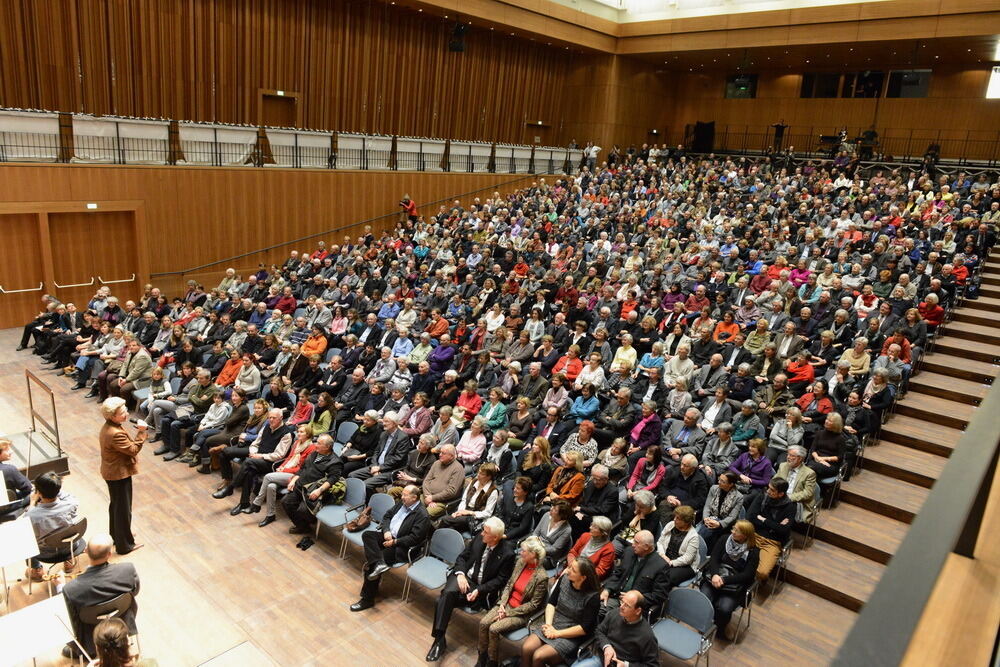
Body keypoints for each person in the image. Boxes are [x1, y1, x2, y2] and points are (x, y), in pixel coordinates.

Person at [425, 517, 516, 662]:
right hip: (464, 578)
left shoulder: (507, 553)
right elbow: (462, 558)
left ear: (495, 537)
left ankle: (439, 641)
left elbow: (501, 580)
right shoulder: (479, 539)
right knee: (448, 593)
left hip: (480, 588)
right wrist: (460, 574)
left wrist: (480, 590)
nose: (481, 534)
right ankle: (438, 640)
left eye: (485, 532)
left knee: (442, 599)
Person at [351, 484, 431, 612]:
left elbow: (415, 539)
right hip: (388, 537)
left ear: (414, 498)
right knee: (368, 535)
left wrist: (395, 542)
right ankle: (379, 564)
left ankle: (367, 600)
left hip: (402, 547)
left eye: (405, 495)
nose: (402, 496)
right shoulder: (402, 503)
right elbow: (387, 516)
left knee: (371, 567)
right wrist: (386, 530)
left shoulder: (422, 516)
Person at [61, 534, 140, 659]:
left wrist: (58, 588)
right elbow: (134, 592)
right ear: (109, 554)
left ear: (86, 551)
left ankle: (86, 650)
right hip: (122, 620)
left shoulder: (70, 589)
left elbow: (72, 618)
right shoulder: (128, 570)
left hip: (91, 633)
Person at [477, 536, 550, 667]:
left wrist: (508, 613)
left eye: (523, 551)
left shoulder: (542, 577)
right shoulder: (520, 563)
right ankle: (482, 658)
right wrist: (502, 605)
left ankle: (492, 662)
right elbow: (509, 584)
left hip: (521, 613)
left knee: (494, 628)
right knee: (483, 623)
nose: (520, 553)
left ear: (533, 554)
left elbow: (533, 605)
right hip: (506, 605)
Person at [521, 556, 601, 666]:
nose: (568, 570)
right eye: (570, 567)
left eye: (573, 570)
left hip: (572, 635)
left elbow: (584, 628)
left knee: (538, 656)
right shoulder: (564, 579)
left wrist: (557, 633)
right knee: (527, 648)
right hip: (554, 623)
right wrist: (548, 625)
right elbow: (551, 603)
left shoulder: (593, 597)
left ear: (582, 578)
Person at [99, 397, 146, 555]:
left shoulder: (111, 426)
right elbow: (133, 449)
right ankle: (124, 545)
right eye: (122, 412)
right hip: (118, 474)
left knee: (117, 507)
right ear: (112, 416)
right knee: (123, 509)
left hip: (112, 471)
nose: (126, 413)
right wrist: (141, 432)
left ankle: (119, 535)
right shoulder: (114, 433)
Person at [699, 519, 760, 638]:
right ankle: (704, 624)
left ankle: (719, 629)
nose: (733, 532)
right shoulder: (724, 539)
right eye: (733, 529)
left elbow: (747, 575)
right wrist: (715, 575)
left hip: (734, 584)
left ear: (745, 535)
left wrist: (724, 580)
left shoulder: (753, 552)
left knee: (724, 608)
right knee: (704, 598)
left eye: (736, 531)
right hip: (716, 576)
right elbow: (714, 559)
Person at [280, 434, 344, 537]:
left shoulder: (335, 462)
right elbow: (303, 468)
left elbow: (332, 479)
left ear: (327, 447)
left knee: (303, 510)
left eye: (319, 443)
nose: (315, 445)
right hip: (300, 486)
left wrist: (319, 490)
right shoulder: (314, 454)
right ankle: (303, 526)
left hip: (313, 491)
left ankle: (310, 521)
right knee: (286, 502)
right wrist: (293, 480)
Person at [24, 471, 84, 581]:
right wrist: (53, 487)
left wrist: (32, 502)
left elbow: (26, 526)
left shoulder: (31, 516)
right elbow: (66, 495)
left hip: (46, 553)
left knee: (26, 540)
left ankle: (37, 570)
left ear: (39, 493)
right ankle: (69, 561)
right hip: (71, 547)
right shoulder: (71, 503)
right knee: (66, 531)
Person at [575, 590, 659, 667]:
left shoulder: (647, 636)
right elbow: (599, 631)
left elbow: (652, 665)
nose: (621, 607)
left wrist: (627, 665)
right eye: (622, 602)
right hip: (602, 658)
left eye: (627, 605)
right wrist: (607, 646)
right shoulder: (615, 613)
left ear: (637, 611)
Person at [600, 530, 667, 617]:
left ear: (646, 547)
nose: (632, 544)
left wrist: (637, 598)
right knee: (594, 606)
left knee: (608, 615)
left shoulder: (661, 566)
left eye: (636, 542)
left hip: (635, 606)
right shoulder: (629, 552)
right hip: (617, 595)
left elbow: (659, 595)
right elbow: (617, 574)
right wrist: (607, 590)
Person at [746, 478, 795, 580]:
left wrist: (763, 519)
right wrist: (775, 525)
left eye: (772, 490)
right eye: (768, 488)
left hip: (772, 543)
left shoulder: (790, 506)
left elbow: (784, 530)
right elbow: (750, 517)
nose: (768, 491)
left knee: (762, 573)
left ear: (781, 494)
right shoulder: (762, 496)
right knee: (736, 559)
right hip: (754, 534)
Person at [655, 505, 703, 587]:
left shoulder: (693, 536)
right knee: (650, 569)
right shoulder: (671, 525)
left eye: (678, 518)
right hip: (665, 557)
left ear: (686, 522)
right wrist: (662, 555)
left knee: (665, 577)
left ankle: (659, 596)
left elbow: (687, 559)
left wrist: (671, 563)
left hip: (684, 566)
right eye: (675, 517)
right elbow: (660, 542)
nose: (674, 519)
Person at [772, 445, 819, 523]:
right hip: (779, 496)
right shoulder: (783, 466)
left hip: (797, 501)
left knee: (783, 510)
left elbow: (808, 493)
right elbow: (774, 481)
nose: (788, 457)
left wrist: (789, 497)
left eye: (791, 455)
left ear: (800, 458)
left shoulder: (809, 473)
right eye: (788, 454)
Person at [0, 437, 32, 522]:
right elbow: (28, 488)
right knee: (34, 493)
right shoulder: (9, 470)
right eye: (6, 450)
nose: (11, 451)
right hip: (5, 509)